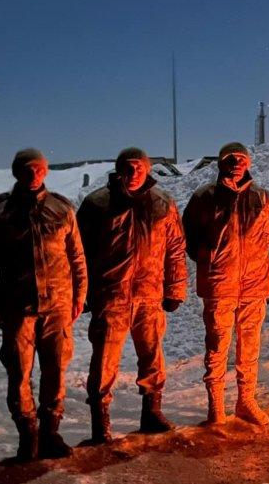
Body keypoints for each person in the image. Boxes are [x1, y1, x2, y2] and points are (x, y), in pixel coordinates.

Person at [0, 148, 87, 461]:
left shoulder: (60, 208)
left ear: (46, 171)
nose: (34, 174)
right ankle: (27, 434)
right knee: (19, 372)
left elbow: (77, 257)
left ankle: (50, 432)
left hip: (58, 307)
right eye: (27, 168)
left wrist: (79, 296)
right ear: (16, 171)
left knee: (55, 369)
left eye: (39, 168)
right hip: (17, 308)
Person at [76, 148, 187, 444]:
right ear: (118, 169)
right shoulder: (97, 204)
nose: (133, 172)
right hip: (111, 296)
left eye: (139, 167)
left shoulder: (162, 204)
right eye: (128, 167)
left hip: (150, 295)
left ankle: (151, 412)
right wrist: (82, 293)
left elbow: (175, 249)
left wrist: (175, 288)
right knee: (104, 361)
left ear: (148, 169)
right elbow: (78, 253)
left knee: (152, 356)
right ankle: (100, 423)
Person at [183, 142, 269, 426]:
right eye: (230, 158)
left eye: (241, 158)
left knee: (249, 347)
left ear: (248, 163)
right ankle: (216, 407)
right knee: (217, 346)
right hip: (219, 285)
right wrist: (212, 257)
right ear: (221, 163)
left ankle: (245, 401)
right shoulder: (204, 197)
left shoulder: (263, 198)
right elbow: (189, 238)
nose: (236, 162)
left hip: (254, 285)